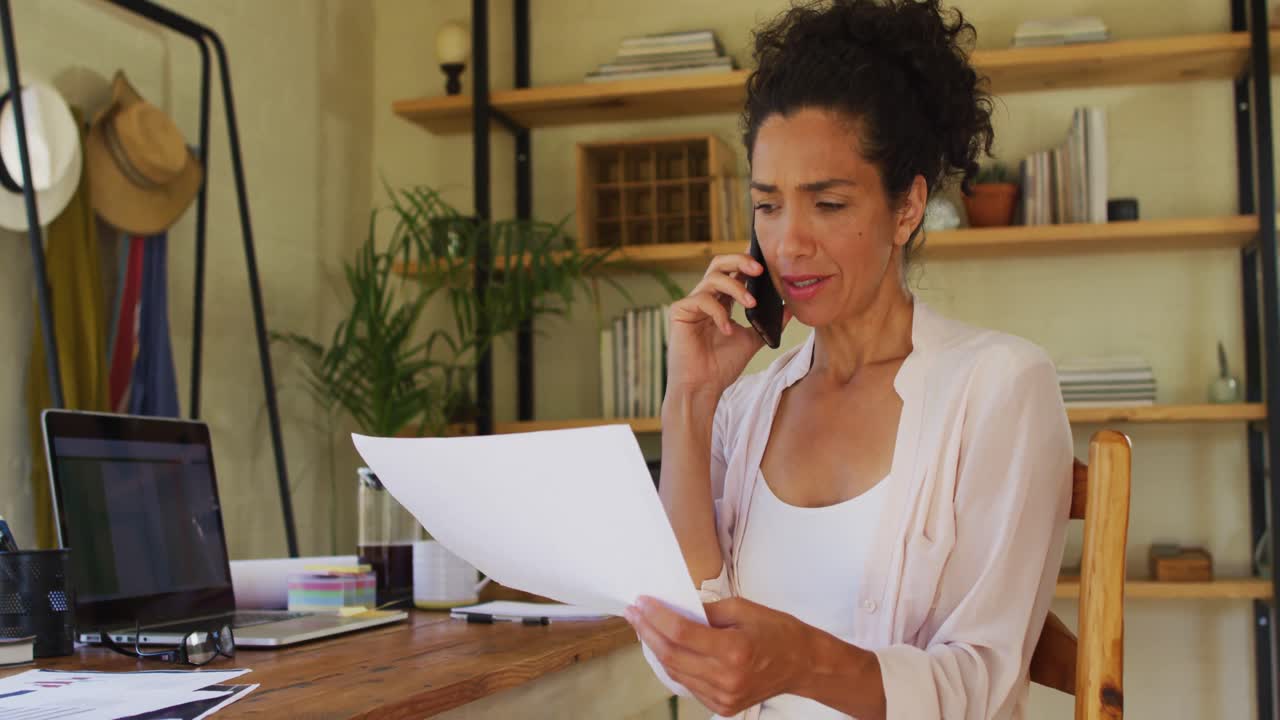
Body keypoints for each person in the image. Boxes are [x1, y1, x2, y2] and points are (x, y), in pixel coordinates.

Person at [621, 1, 1073, 718]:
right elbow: (680, 653)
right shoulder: (745, 409)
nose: (789, 244)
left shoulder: (998, 388)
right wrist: (690, 401)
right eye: (768, 206)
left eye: (827, 204)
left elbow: (982, 684)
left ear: (907, 208)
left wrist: (804, 661)